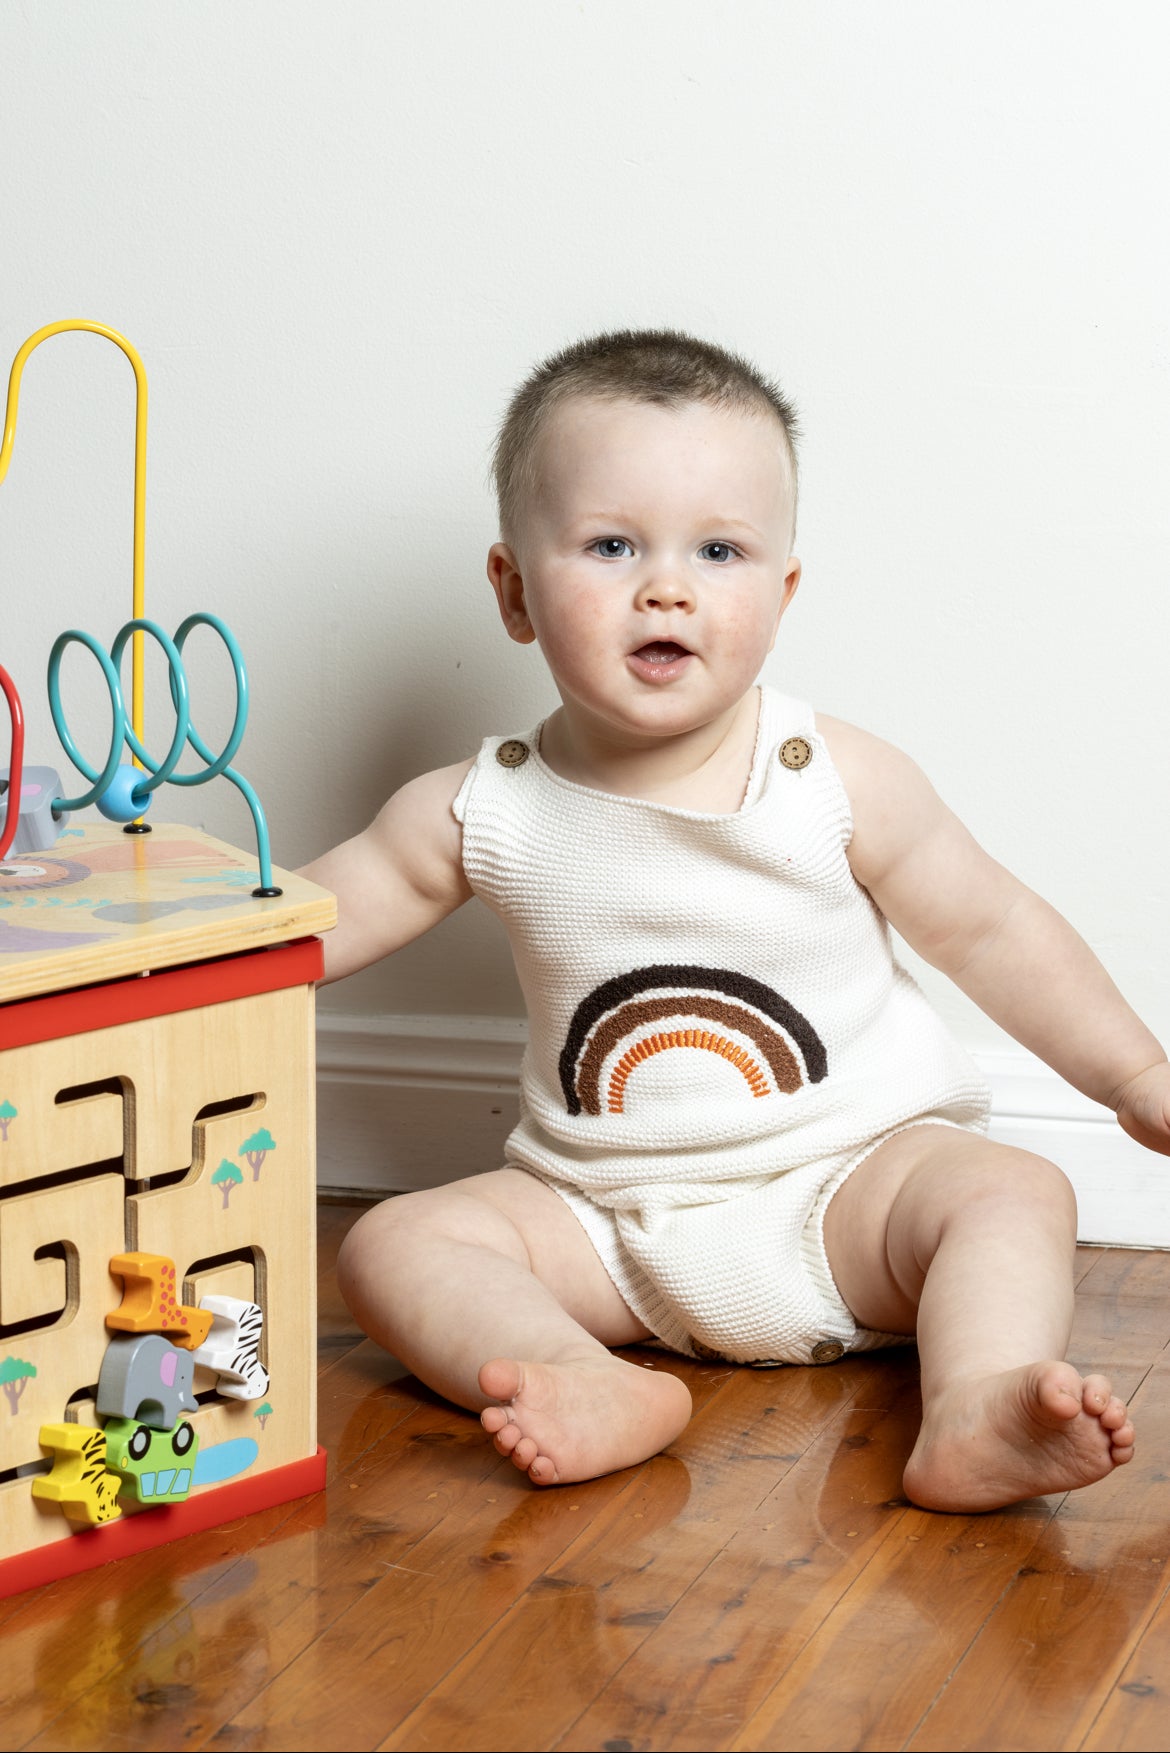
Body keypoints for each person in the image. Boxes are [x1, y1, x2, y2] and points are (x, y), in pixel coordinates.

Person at [300, 329, 1167, 1511]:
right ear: (512, 591)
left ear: (783, 589)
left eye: (719, 549)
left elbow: (996, 927)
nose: (668, 586)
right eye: (611, 545)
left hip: (849, 1189)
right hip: (600, 1220)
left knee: (1011, 1190)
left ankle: (979, 1397)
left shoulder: (833, 776)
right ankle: (579, 1371)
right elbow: (296, 931)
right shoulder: (480, 806)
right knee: (391, 1244)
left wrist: (1132, 1073)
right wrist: (141, 959)